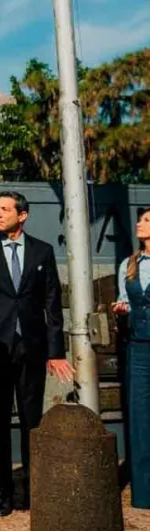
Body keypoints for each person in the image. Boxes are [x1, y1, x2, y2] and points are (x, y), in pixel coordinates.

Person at [0, 191, 73, 516]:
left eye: (4, 209)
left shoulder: (42, 251)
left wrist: (56, 351)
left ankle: (32, 486)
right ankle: (3, 490)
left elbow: (51, 303)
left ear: (22, 215)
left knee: (32, 420)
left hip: (32, 348)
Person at [113, 206, 150, 509]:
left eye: (147, 220)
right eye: (140, 219)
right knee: (139, 419)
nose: (140, 224)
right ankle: (144, 493)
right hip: (138, 348)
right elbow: (125, 299)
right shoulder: (129, 264)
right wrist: (122, 309)